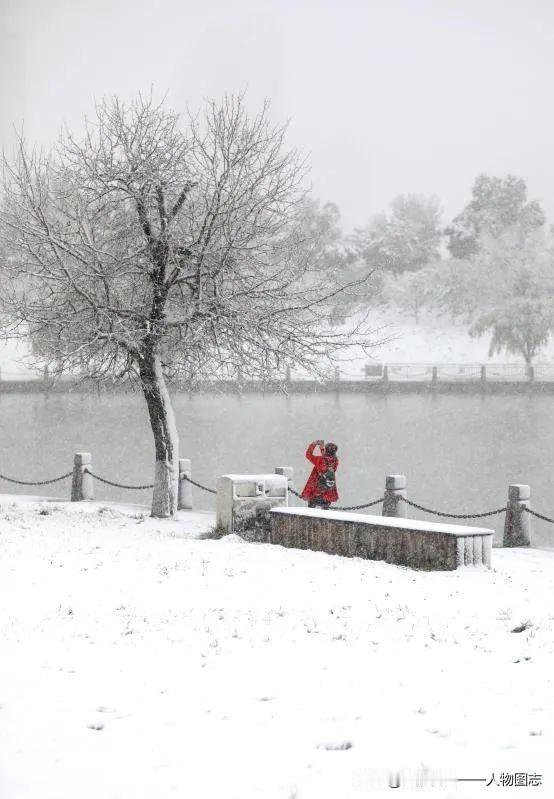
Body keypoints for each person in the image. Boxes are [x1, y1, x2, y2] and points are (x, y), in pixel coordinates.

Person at [300, 439, 339, 509]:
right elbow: (326, 458)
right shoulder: (335, 461)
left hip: (316, 489)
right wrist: (321, 447)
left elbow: (308, 455)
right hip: (328, 490)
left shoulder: (320, 460)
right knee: (325, 510)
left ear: (326, 450)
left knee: (311, 510)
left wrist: (314, 444)